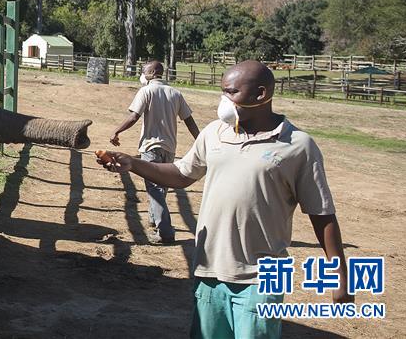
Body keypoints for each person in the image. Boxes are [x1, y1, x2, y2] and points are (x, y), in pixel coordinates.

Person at [99, 61, 352, 338]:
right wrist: (133, 164)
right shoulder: (214, 133)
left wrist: (339, 275)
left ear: (261, 94)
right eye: (223, 91)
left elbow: (322, 214)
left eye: (232, 92)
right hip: (209, 271)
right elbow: (182, 174)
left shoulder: (298, 146)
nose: (224, 100)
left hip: (262, 278)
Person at [110, 60, 199, 244]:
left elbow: (134, 116)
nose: (142, 75)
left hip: (150, 147)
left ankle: (164, 231)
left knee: (154, 189)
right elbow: (189, 120)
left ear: (151, 73)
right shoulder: (175, 93)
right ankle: (154, 218)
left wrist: (117, 131)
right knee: (161, 185)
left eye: (144, 72)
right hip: (169, 148)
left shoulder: (147, 91)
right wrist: (200, 139)